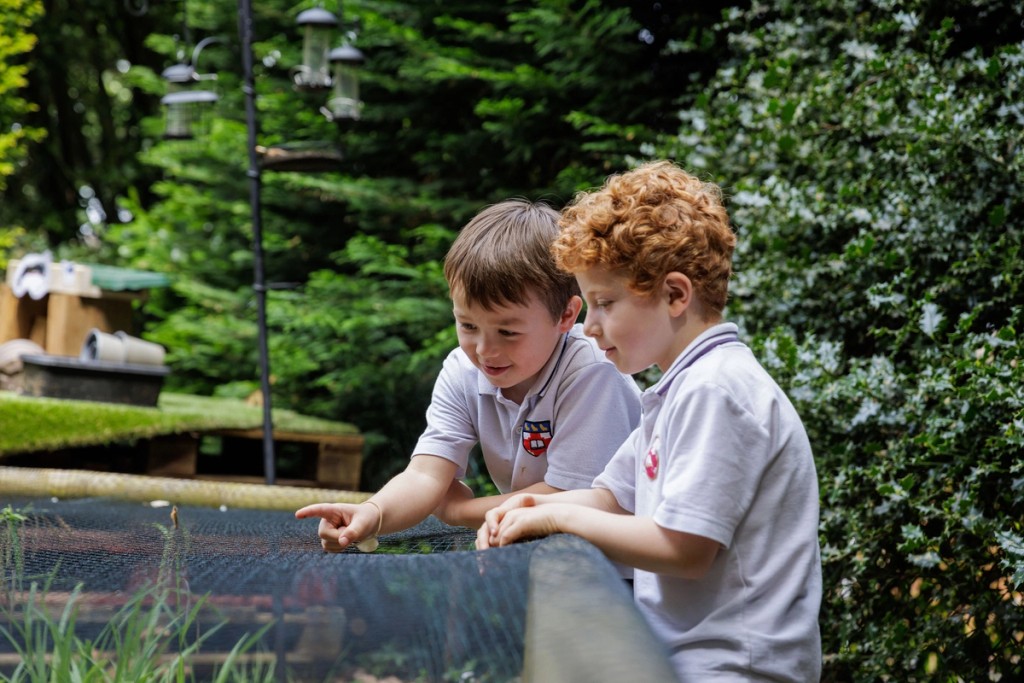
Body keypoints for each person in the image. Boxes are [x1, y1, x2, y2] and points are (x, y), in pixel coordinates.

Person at [477, 161, 822, 682]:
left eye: (605, 303)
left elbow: (682, 549)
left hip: (735, 669)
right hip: (680, 660)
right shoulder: (679, 388)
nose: (589, 328)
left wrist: (556, 518)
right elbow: (612, 498)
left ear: (676, 295)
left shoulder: (717, 390)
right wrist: (532, 502)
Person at [296, 199, 642, 552]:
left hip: (618, 567)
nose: (484, 350)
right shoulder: (462, 369)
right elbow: (426, 475)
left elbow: (569, 496)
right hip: (534, 550)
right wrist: (373, 513)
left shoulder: (593, 370)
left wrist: (462, 511)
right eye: (468, 325)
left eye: (508, 332)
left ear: (566, 316)